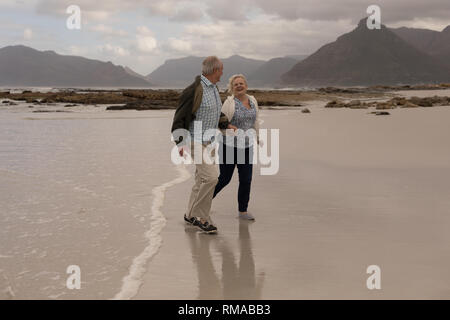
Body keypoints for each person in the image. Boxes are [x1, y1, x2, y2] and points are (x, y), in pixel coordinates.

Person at [171, 56, 228, 234]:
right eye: (221, 70)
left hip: (210, 142)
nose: (222, 73)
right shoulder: (194, 90)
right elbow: (179, 117)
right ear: (214, 70)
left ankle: (190, 214)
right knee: (211, 178)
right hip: (195, 141)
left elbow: (215, 112)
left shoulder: (213, 88)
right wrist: (180, 143)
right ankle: (201, 217)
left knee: (200, 181)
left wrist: (226, 125)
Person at [213, 74, 260, 220]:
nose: (239, 86)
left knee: (246, 179)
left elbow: (255, 120)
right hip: (229, 145)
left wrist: (257, 137)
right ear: (232, 88)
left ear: (246, 85)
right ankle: (202, 203)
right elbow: (219, 121)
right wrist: (228, 126)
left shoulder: (252, 100)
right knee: (224, 179)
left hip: (247, 146)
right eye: (236, 84)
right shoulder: (229, 103)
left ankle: (243, 211)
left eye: (241, 83)